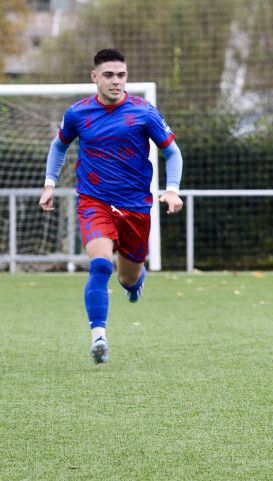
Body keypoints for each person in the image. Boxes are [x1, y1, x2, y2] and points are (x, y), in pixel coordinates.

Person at [38, 48, 184, 364]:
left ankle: (134, 282)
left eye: (121, 75)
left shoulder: (145, 112)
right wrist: (50, 183)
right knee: (101, 265)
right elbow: (58, 146)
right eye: (108, 75)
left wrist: (172, 190)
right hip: (94, 202)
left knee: (127, 278)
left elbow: (172, 152)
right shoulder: (78, 113)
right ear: (95, 77)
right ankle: (99, 338)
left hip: (135, 206)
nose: (116, 81)